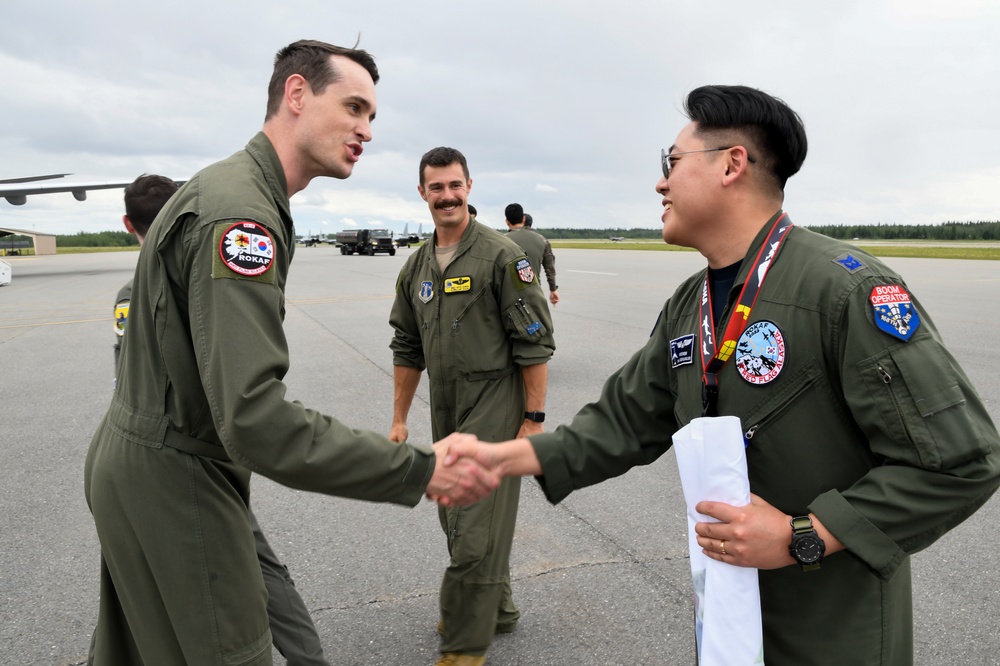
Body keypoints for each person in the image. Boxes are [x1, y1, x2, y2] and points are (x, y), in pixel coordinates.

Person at [439, 85, 1000, 665]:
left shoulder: (844, 290)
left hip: (831, 632)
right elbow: (627, 418)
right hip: (730, 617)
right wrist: (506, 458)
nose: (660, 183)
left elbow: (960, 461)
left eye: (672, 163)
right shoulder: (692, 305)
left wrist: (801, 534)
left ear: (732, 163)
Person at [83, 40, 497, 666]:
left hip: (154, 461)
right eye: (354, 107)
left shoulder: (233, 190)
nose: (366, 130)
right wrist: (417, 469)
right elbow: (254, 417)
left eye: (373, 117)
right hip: (177, 476)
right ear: (297, 94)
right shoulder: (241, 216)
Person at [101, 173, 330, 666]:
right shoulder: (201, 264)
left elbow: (134, 375)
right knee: (259, 564)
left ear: (129, 225)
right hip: (211, 452)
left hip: (180, 459)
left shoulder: (134, 289)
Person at [389, 147, 555, 666]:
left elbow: (534, 343)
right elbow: (406, 345)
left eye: (454, 185)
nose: (447, 196)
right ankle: (497, 607)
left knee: (474, 515)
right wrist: (398, 418)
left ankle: (466, 634)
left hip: (495, 398)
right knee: (453, 512)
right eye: (436, 188)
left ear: (469, 187)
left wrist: (533, 419)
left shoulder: (503, 256)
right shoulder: (416, 265)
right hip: (447, 401)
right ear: (422, 193)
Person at [522, 213, 558, 305]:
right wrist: (553, 289)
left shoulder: (507, 238)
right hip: (534, 288)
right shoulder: (542, 240)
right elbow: (549, 267)